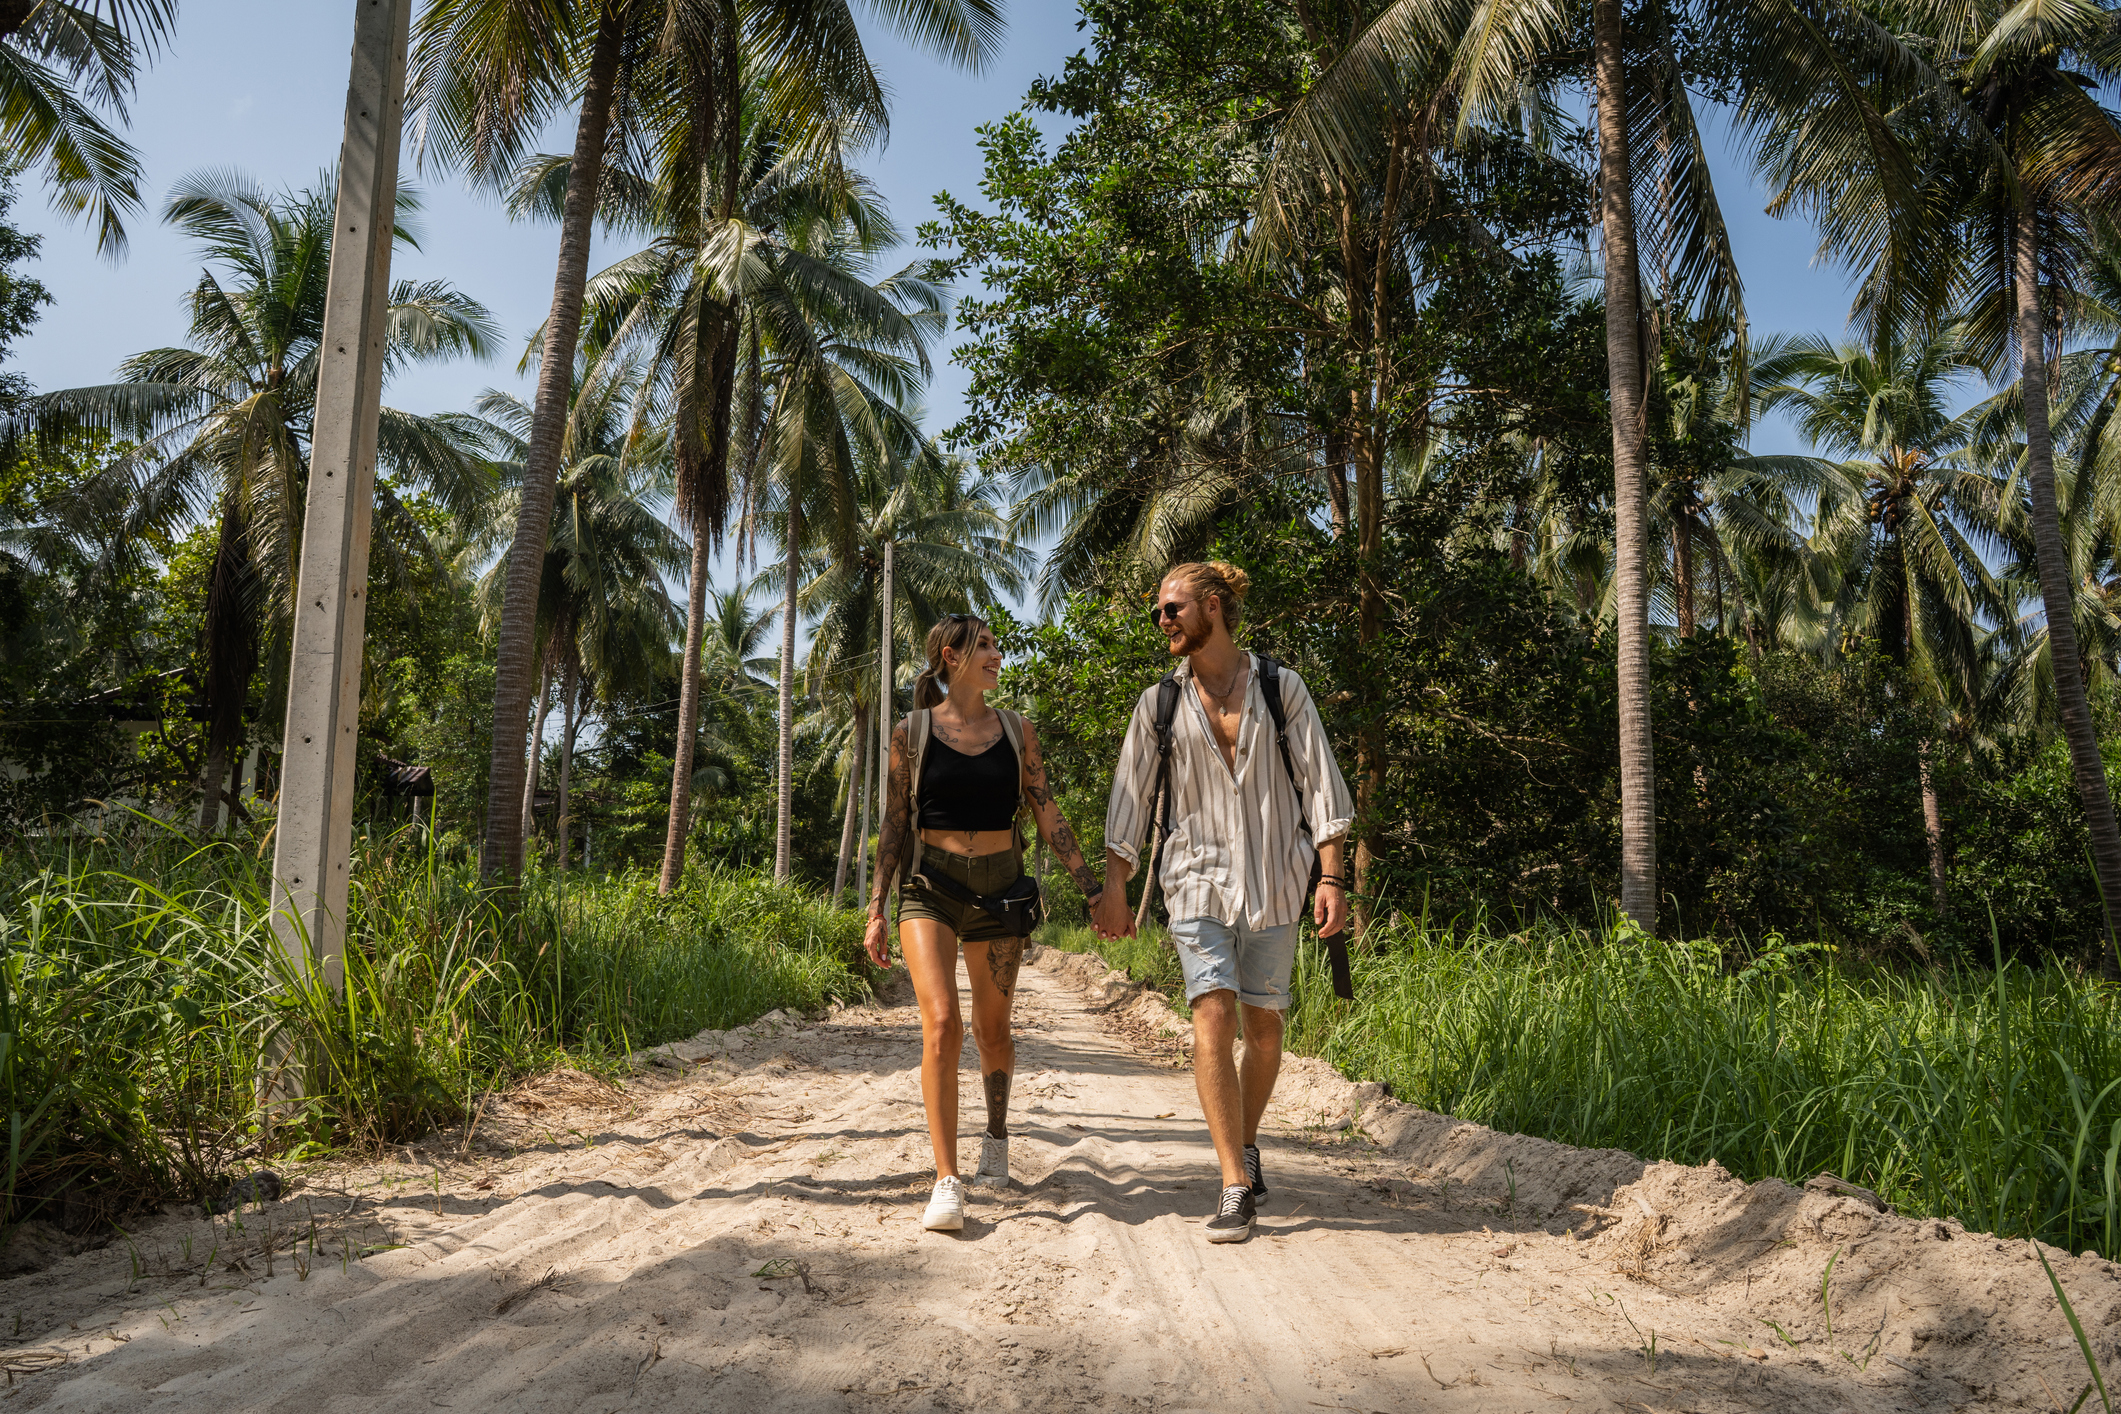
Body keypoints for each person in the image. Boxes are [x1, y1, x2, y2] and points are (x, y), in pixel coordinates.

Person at [1093, 562, 1353, 1243]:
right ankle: (1233, 1183)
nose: (1162, 621)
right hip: (1195, 880)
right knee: (1212, 1013)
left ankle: (1246, 1140)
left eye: (1172, 608)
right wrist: (1115, 888)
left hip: (1276, 878)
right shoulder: (1159, 704)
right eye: (1158, 611)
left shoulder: (1279, 687)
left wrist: (1332, 879)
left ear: (1212, 607)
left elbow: (1320, 785)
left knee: (1263, 1031)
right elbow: (1130, 798)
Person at [867, 613, 1104, 1233]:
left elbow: (1047, 813)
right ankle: (946, 1180)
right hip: (930, 888)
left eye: (998, 646)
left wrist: (1094, 890)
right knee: (942, 1021)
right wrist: (875, 908)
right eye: (987, 647)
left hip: (1002, 891)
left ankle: (994, 1137)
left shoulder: (1017, 730)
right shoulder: (910, 732)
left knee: (992, 1031)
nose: (998, 656)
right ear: (951, 656)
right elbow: (895, 822)